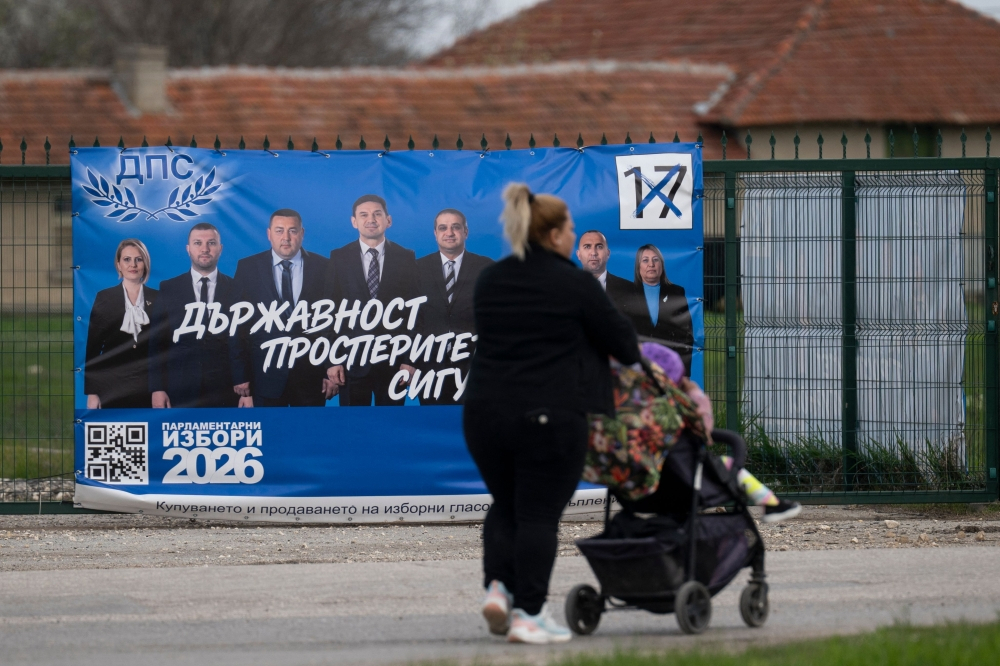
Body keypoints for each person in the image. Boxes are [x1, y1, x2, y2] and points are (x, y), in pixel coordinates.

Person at [464, 183, 640, 644]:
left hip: (483, 414)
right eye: (572, 229)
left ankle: (499, 588)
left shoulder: (489, 279)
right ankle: (529, 613)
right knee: (539, 515)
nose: (575, 235)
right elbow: (623, 344)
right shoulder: (575, 282)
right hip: (548, 416)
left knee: (507, 502)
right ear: (557, 235)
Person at [230, 209, 331, 407]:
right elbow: (237, 327)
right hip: (264, 378)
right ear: (269, 234)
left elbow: (332, 322)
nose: (286, 237)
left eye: (292, 231)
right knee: (270, 436)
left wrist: (330, 370)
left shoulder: (324, 267)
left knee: (308, 436)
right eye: (279, 231)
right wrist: (240, 376)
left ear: (302, 233)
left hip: (311, 378)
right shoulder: (247, 268)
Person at [325, 194, 419, 406]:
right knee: (354, 429)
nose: (371, 220)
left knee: (392, 428)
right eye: (364, 215)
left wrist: (409, 361)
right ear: (354, 221)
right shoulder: (338, 258)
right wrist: (333, 360)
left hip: (394, 362)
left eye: (377, 214)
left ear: (388, 220)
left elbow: (414, 314)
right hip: (351, 363)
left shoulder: (406, 258)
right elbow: (330, 313)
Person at [148, 223, 239, 408]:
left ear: (220, 249)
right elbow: (156, 344)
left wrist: (247, 390)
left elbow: (245, 342)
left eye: (211, 243)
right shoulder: (169, 289)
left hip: (226, 389)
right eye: (198, 243)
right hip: (180, 388)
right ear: (188, 249)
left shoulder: (237, 289)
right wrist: (157, 389)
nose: (205, 249)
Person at [415, 208, 494, 405]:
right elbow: (412, 319)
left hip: (474, 367)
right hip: (429, 367)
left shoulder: (486, 267)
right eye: (443, 228)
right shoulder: (416, 269)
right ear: (435, 233)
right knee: (432, 426)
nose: (449, 233)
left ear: (465, 232)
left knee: (472, 428)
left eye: (455, 227)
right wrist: (410, 362)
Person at [84, 239, 158, 409]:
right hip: (111, 388)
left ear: (145, 264)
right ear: (118, 265)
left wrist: (161, 389)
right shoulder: (104, 298)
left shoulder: (159, 298)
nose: (133, 264)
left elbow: (165, 348)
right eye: (127, 259)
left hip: (149, 387)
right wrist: (93, 392)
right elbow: (93, 350)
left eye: (138, 259)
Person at [620, 244, 695, 375]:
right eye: (645, 260)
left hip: (670, 366)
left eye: (656, 260)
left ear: (662, 265)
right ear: (638, 267)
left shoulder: (676, 292)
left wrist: (684, 372)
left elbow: (686, 336)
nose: (651, 264)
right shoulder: (627, 294)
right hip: (639, 368)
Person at [575, 230, 634, 311]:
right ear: (578, 254)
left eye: (599, 246)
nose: (593, 253)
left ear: (608, 253)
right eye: (587, 247)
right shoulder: (565, 289)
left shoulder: (628, 289)